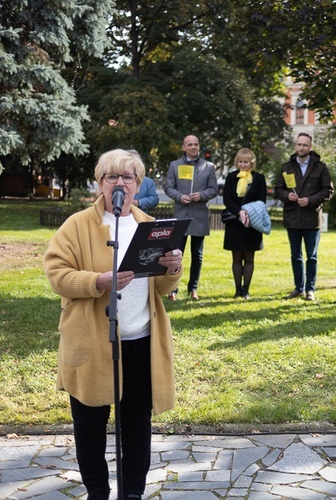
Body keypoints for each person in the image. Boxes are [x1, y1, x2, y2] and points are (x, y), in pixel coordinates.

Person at [43, 149, 183, 499]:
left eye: (128, 177)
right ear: (100, 183)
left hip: (141, 341)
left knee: (137, 425)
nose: (120, 183)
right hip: (93, 341)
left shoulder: (150, 225)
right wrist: (98, 281)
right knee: (89, 427)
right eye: (112, 177)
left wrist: (173, 267)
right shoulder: (77, 225)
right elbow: (57, 276)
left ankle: (132, 493)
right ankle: (97, 493)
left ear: (138, 184)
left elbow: (162, 288)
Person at [274, 133, 334, 301]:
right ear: (295, 146)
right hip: (292, 217)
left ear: (310, 147)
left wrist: (310, 200)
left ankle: (310, 289)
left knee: (312, 256)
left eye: (305, 145)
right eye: (299, 144)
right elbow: (278, 189)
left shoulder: (320, 168)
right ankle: (298, 288)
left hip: (312, 218)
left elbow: (328, 191)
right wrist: (287, 196)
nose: (301, 148)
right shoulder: (286, 167)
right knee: (295, 255)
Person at [164, 135, 218, 300]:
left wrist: (200, 195)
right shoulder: (175, 165)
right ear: (183, 147)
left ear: (199, 146)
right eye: (190, 144)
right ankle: (173, 289)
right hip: (181, 215)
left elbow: (213, 189)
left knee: (197, 254)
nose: (193, 147)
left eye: (196, 144)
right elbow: (168, 187)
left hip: (199, 216)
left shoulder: (208, 167)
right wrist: (180, 196)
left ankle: (193, 288)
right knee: (175, 254)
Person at [222, 148, 267, 300]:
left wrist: (247, 211)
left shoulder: (259, 178)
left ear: (252, 162)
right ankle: (237, 289)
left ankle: (246, 290)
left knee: (249, 258)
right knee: (236, 257)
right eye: (240, 162)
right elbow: (227, 198)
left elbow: (262, 200)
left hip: (252, 223)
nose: (243, 164)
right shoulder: (231, 177)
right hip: (235, 222)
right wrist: (239, 212)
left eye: (246, 162)